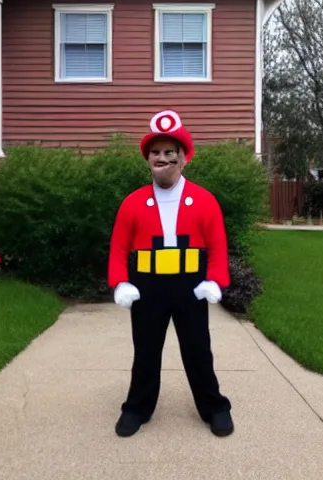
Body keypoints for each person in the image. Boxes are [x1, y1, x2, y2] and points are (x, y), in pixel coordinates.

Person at [107, 109, 233, 438]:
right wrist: (121, 281)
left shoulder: (204, 201)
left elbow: (219, 245)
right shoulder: (132, 203)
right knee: (146, 349)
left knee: (198, 349)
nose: (161, 158)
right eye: (155, 153)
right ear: (148, 159)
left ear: (183, 158)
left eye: (169, 152)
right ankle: (137, 407)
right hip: (147, 286)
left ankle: (214, 406)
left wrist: (215, 280)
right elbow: (119, 247)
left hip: (189, 285)